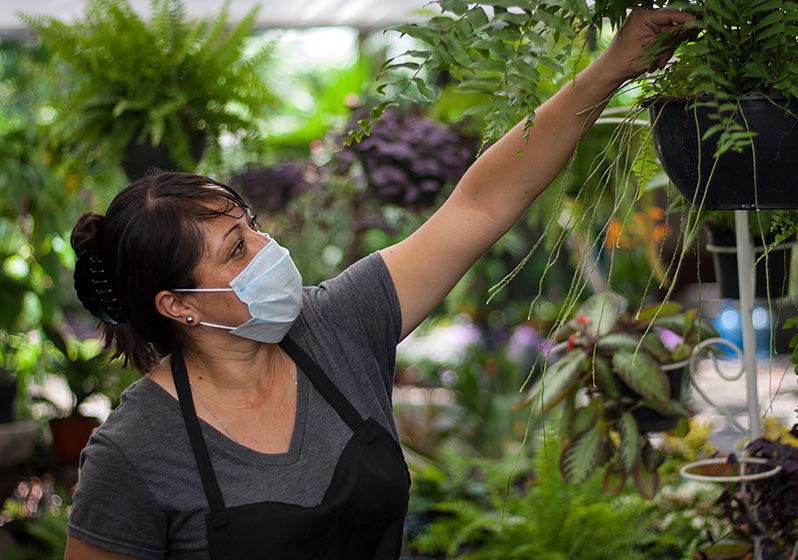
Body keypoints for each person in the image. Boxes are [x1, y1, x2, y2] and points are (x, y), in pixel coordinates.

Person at [64, 8, 693, 559]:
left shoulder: (338, 326)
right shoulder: (134, 453)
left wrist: (611, 67)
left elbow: (478, 205)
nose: (267, 248)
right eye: (235, 251)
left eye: (251, 226)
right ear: (178, 306)